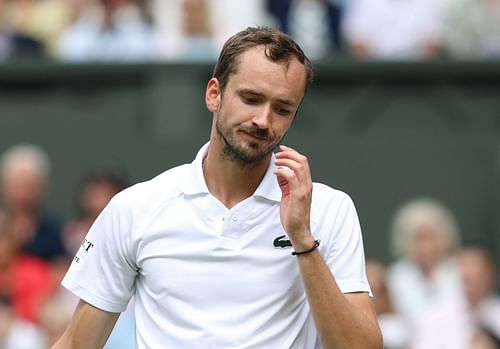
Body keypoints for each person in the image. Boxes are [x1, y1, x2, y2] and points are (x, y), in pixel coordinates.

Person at [52, 26, 382, 349]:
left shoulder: (330, 209)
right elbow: (76, 343)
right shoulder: (134, 208)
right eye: (250, 99)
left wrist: (303, 241)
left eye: (282, 109)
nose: (263, 120)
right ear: (214, 94)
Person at [386, 197, 463, 328]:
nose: (425, 245)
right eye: (419, 237)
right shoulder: (396, 276)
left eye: (430, 236)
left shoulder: (459, 270)